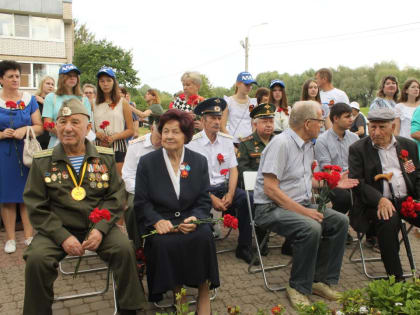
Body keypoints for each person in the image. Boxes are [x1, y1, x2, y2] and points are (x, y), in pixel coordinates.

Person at [22, 98, 145, 315]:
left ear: (88, 128)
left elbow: (116, 196)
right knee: (36, 259)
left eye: (75, 122)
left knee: (125, 249)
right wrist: (62, 236)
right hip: (56, 231)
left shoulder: (104, 157)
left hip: (99, 228)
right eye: (62, 122)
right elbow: (35, 205)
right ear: (56, 126)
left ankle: (130, 309)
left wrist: (101, 229)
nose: (67, 128)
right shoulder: (42, 161)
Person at [253, 101, 358, 309]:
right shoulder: (281, 144)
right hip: (269, 209)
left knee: (340, 221)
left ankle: (319, 280)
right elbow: (271, 189)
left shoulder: (308, 144)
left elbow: (303, 179)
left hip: (296, 205)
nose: (323, 124)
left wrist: (333, 182)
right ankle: (298, 287)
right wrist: (305, 212)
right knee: (311, 226)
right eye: (320, 120)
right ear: (308, 123)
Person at [134, 109, 219, 314]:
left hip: (191, 219)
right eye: (165, 131)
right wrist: (156, 221)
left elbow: (203, 198)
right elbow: (141, 202)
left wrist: (196, 218)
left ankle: (203, 291)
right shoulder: (148, 163)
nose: (169, 136)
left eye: (175, 132)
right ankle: (178, 293)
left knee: (204, 236)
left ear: (186, 136)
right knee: (165, 243)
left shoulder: (198, 161)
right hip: (164, 222)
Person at [349, 107, 420, 280]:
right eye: (372, 127)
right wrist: (380, 199)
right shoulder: (358, 149)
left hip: (405, 200)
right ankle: (396, 280)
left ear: (393, 127)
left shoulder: (408, 146)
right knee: (388, 220)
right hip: (374, 203)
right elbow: (358, 183)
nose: (376, 132)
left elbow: (417, 175)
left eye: (382, 127)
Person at [187, 98, 254, 264]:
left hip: (224, 188)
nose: (217, 122)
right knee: (195, 208)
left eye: (219, 118)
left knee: (247, 199)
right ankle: (201, 248)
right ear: (202, 120)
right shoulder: (191, 144)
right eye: (213, 118)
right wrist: (210, 197)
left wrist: (231, 194)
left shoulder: (226, 141)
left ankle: (244, 246)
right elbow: (190, 179)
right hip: (201, 191)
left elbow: (233, 169)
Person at [0, 60, 43, 254]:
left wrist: (26, 128)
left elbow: (40, 126)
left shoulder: (29, 99)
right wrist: (2, 134)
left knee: (27, 195)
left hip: (26, 153)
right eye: (11, 76)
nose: (15, 79)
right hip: (4, 154)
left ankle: (29, 235)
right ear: (2, 79)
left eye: (17, 76)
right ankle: (10, 239)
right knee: (7, 197)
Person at [315, 103, 359, 243]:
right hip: (331, 181)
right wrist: (341, 178)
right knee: (344, 198)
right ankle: (334, 226)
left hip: (352, 178)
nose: (351, 119)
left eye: (352, 115)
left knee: (370, 193)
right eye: (347, 116)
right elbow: (326, 168)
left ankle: (370, 233)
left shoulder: (354, 138)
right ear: (335, 118)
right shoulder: (322, 140)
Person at [237, 103, 275, 255]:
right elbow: (242, 170)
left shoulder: (279, 141)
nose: (268, 125)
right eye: (264, 121)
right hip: (255, 188)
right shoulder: (246, 143)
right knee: (255, 200)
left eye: (271, 121)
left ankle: (290, 242)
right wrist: (263, 183)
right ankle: (260, 238)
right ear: (255, 123)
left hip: (277, 186)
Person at [122, 118, 162, 249]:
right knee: (133, 207)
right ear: (151, 129)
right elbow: (128, 176)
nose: (162, 139)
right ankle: (137, 247)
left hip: (164, 190)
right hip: (140, 189)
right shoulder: (136, 146)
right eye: (159, 134)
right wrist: (146, 193)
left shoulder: (171, 145)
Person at [94, 66, 134, 175]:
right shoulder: (93, 103)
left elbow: (131, 130)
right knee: (98, 179)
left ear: (114, 82)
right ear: (98, 83)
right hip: (98, 145)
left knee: (118, 180)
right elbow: (88, 129)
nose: (105, 84)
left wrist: (113, 137)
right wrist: (98, 134)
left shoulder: (123, 103)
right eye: (102, 81)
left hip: (118, 146)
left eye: (108, 80)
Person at [42, 64, 92, 148]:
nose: (72, 78)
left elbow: (88, 124)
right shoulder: (51, 97)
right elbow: (47, 123)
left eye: (75, 76)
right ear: (62, 78)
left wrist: (74, 138)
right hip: (56, 143)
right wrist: (65, 136)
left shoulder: (84, 99)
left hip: (78, 144)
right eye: (69, 75)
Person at [221, 72, 257, 143]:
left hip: (249, 143)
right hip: (232, 142)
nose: (249, 87)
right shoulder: (228, 101)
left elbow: (254, 125)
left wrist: (251, 141)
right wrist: (230, 143)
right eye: (246, 84)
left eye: (251, 85)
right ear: (237, 84)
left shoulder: (253, 103)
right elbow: (222, 126)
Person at [35, 76, 55, 149]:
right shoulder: (34, 99)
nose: (50, 86)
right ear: (41, 85)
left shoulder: (55, 101)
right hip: (38, 137)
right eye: (48, 83)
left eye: (52, 84)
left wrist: (44, 102)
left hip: (51, 136)